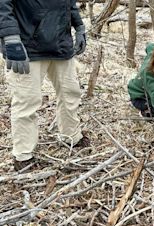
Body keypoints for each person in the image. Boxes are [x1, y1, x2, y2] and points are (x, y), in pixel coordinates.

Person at [0, 0, 89, 171]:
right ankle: (23, 156)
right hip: (26, 48)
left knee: (70, 92)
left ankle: (71, 136)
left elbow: (68, 3)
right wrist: (11, 38)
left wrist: (79, 26)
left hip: (61, 45)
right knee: (27, 101)